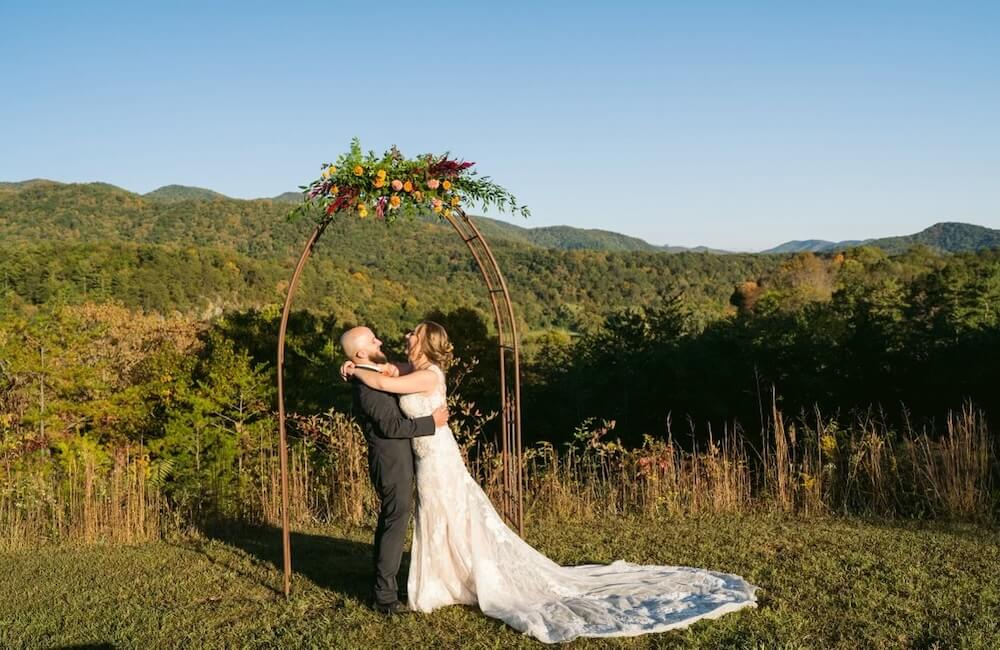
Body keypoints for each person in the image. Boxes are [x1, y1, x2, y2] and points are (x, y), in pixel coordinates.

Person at [343, 321, 757, 643]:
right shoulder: (413, 368)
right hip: (425, 456)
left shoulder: (428, 376)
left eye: (413, 332)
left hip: (437, 457)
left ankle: (454, 580)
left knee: (450, 514)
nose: (403, 335)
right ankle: (445, 578)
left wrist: (358, 369)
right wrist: (353, 365)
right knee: (438, 517)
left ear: (424, 343)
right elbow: (384, 371)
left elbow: (383, 381)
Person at [339, 326, 449, 615]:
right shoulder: (366, 386)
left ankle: (386, 587)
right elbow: (390, 426)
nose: (380, 340)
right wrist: (430, 423)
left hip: (406, 458)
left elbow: (390, 374)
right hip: (390, 463)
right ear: (360, 352)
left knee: (394, 521)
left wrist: (354, 367)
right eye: (373, 340)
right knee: (394, 524)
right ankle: (385, 597)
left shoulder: (373, 373)